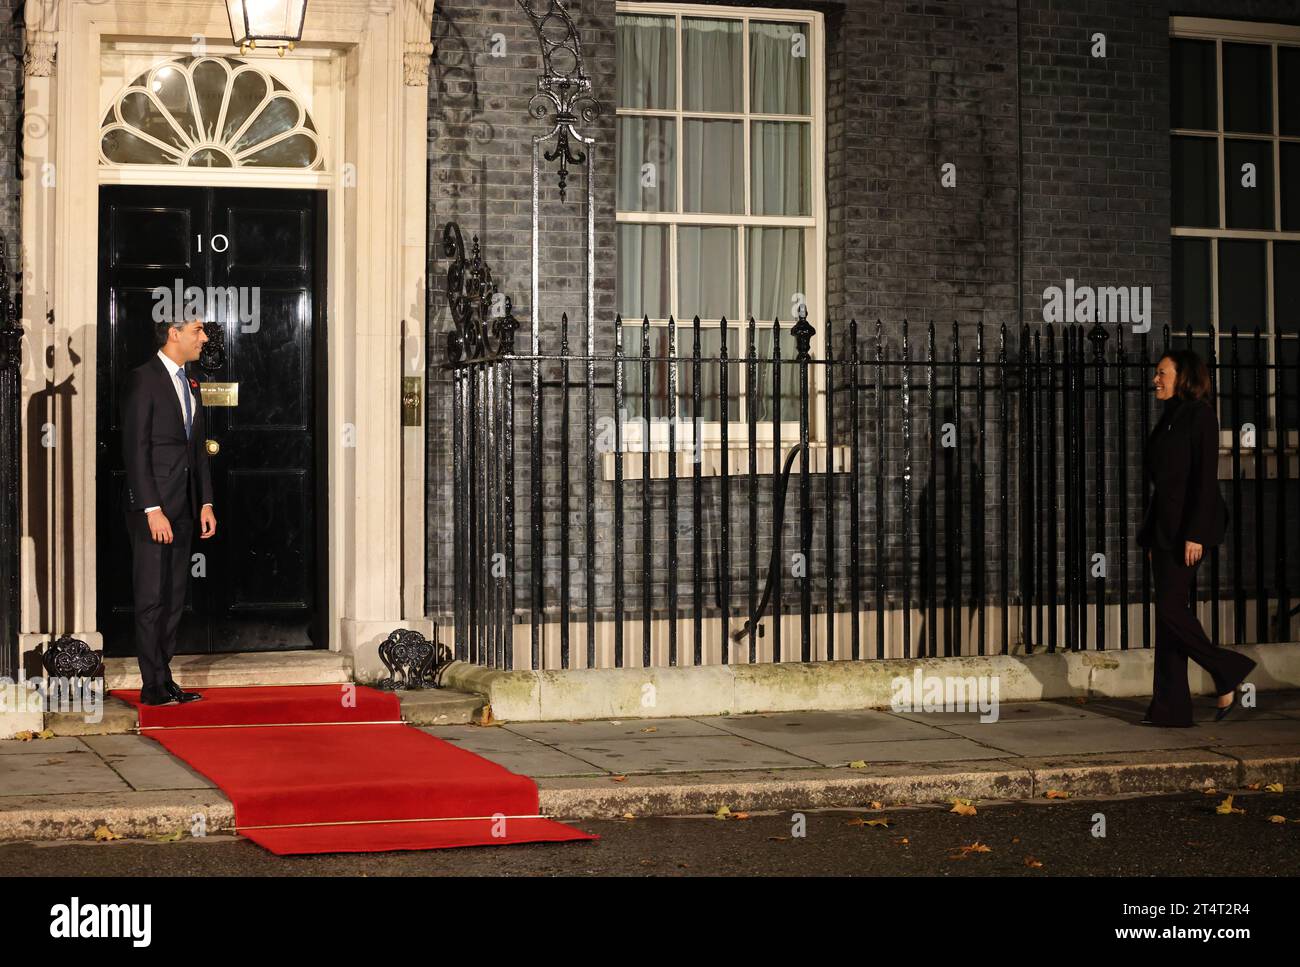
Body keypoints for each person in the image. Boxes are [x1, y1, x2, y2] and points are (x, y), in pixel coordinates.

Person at [1137, 350, 1254, 726]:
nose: (1155, 380)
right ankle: (1170, 709)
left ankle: (1228, 668)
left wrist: (1196, 534)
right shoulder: (1169, 416)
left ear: (1183, 376)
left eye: (1161, 373)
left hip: (1188, 530)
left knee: (1171, 611)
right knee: (1168, 618)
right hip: (1165, 532)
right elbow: (1164, 486)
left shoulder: (1201, 415)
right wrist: (1154, 537)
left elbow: (1204, 479)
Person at [121, 317, 218, 706]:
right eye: (197, 330)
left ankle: (165, 677)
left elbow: (196, 450)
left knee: (175, 596)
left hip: (184, 507)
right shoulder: (143, 378)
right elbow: (135, 449)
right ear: (173, 333)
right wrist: (151, 508)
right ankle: (151, 685)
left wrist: (206, 502)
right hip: (153, 510)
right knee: (151, 597)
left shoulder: (190, 382)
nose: (204, 338)